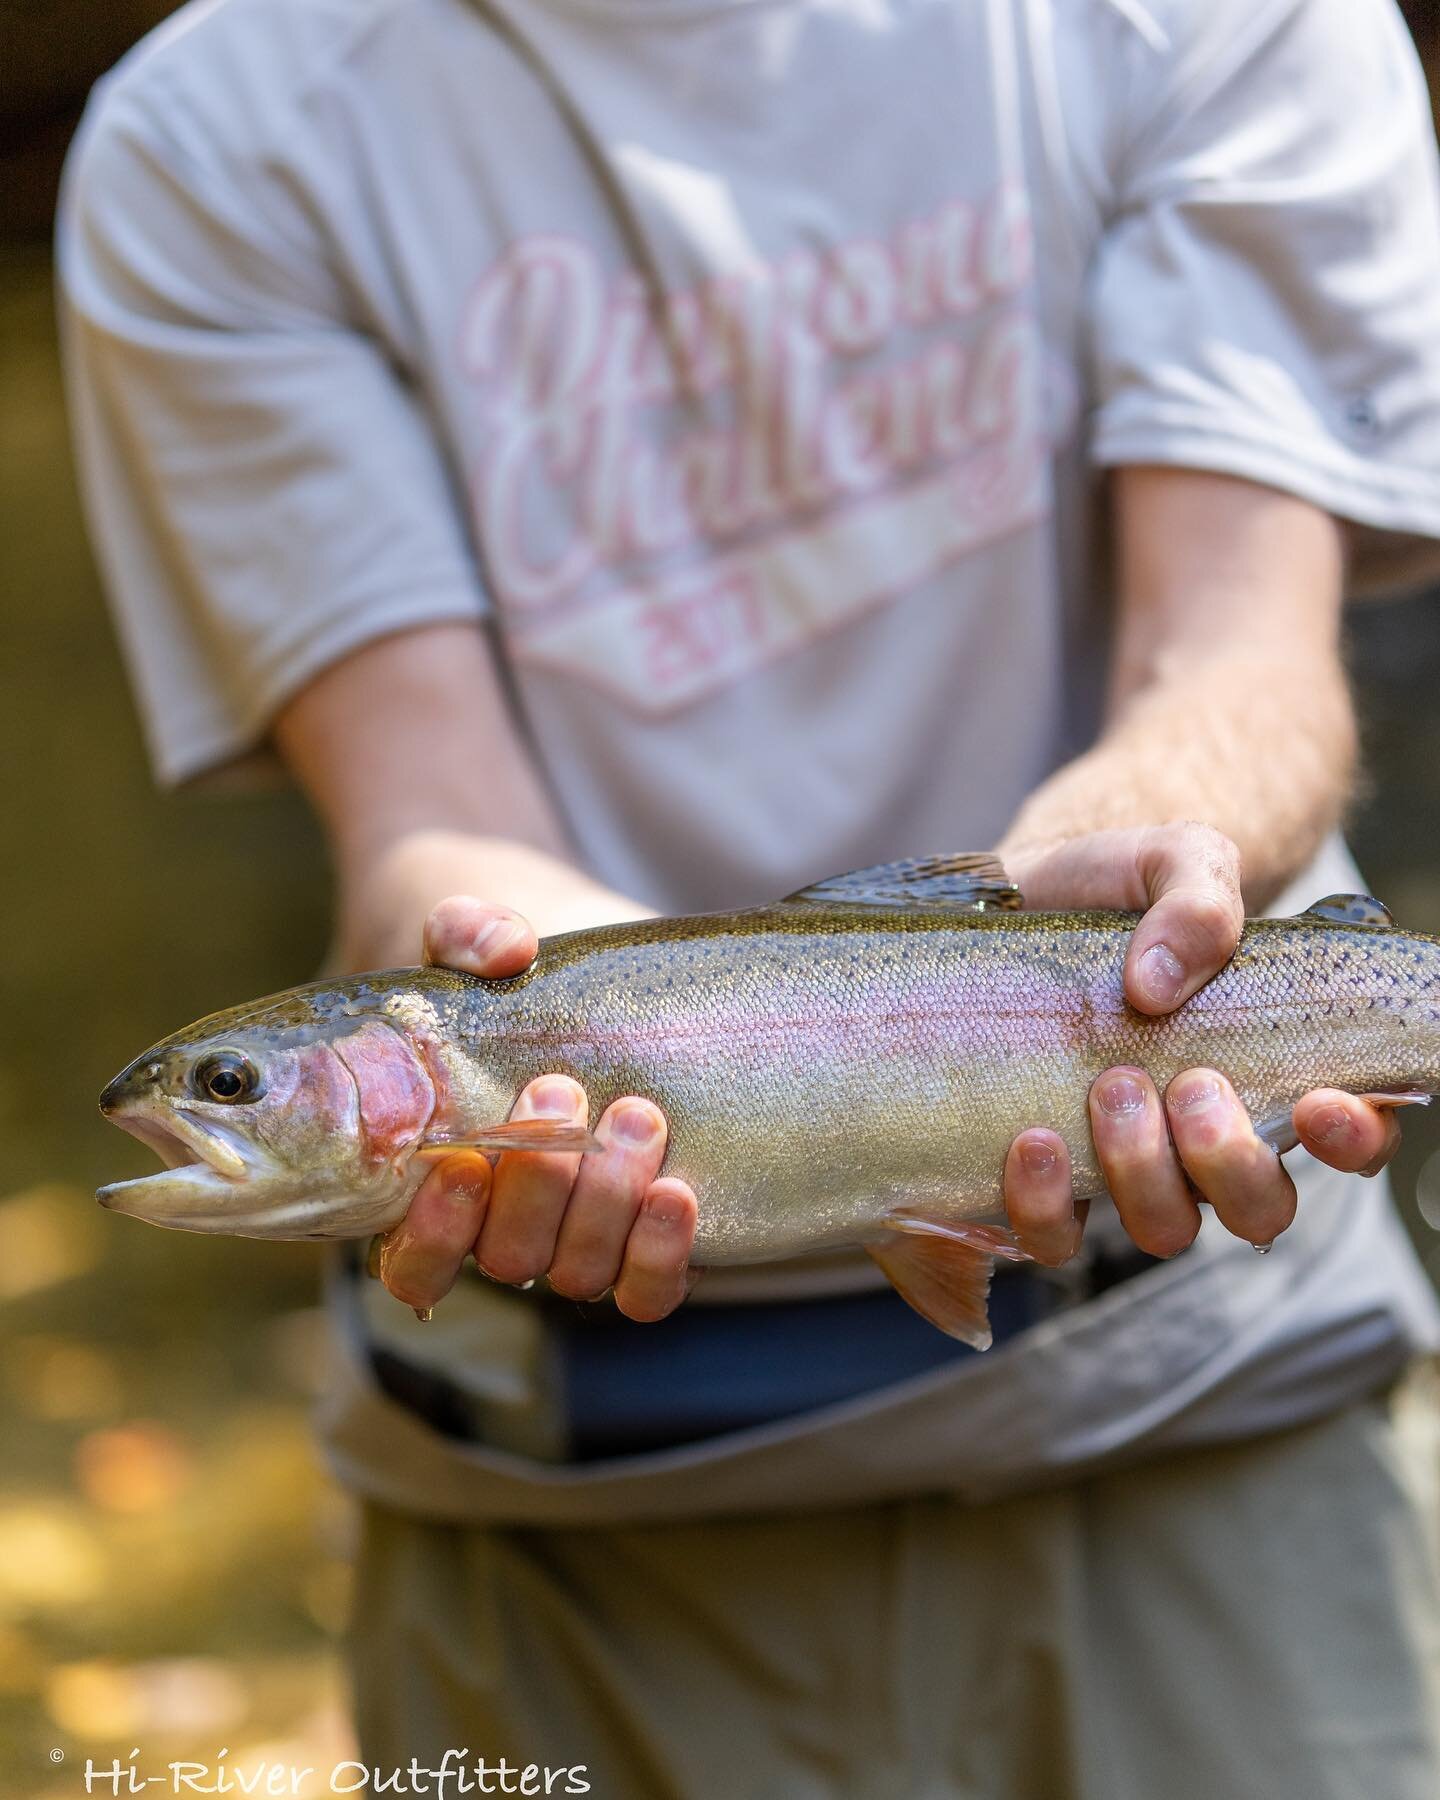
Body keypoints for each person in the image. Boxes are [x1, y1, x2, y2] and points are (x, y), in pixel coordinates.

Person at [57, 0, 1440, 1790]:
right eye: (234, 1091)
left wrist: (1162, 837)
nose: (204, 1112)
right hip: (563, 1504)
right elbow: (427, 812)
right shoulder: (213, 134)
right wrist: (460, 915)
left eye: (231, 1084)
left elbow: (1238, 649)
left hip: (1208, 1406)